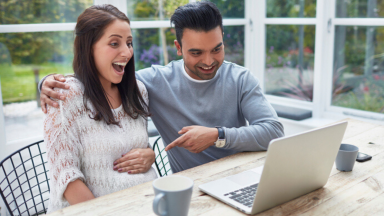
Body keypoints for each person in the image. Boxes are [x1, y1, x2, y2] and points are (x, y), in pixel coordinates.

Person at [39, 2, 284, 174]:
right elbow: (99, 75)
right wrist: (47, 81)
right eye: (196, 52)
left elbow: (273, 131)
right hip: (192, 189)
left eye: (216, 49)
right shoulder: (154, 82)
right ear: (178, 48)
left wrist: (217, 136)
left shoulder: (241, 79)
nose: (209, 61)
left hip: (242, 175)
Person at [44, 5, 157, 213]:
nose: (127, 52)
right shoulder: (66, 97)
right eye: (114, 43)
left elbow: (137, 146)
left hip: (146, 205)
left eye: (129, 43)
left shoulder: (138, 91)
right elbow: (67, 178)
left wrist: (151, 154)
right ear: (88, 47)